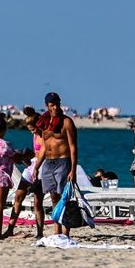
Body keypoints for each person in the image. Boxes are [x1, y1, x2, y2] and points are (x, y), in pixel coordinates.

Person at [32, 92, 78, 237]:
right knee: (53, 197)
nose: (56, 107)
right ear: (47, 106)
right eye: (52, 105)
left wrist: (73, 169)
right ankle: (57, 231)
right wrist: (36, 167)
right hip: (48, 163)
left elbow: (73, 146)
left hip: (63, 161)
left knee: (64, 196)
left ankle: (66, 232)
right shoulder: (44, 123)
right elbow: (44, 147)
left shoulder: (66, 122)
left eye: (57, 104)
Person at [3, 113, 45, 238]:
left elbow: (44, 155)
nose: (32, 132)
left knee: (38, 203)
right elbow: (35, 154)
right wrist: (23, 157)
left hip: (41, 168)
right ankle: (10, 229)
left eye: (33, 129)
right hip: (31, 166)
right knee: (18, 197)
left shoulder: (45, 136)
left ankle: (40, 232)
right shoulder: (35, 135)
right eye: (30, 130)